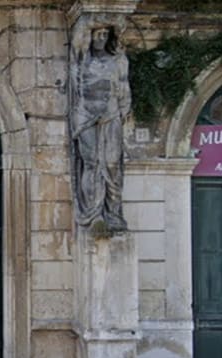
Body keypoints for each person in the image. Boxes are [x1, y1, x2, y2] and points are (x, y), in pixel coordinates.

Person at [71, 25, 131, 233]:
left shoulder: (118, 61)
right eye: (98, 35)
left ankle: (113, 214)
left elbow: (124, 92)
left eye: (105, 35)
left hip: (110, 115)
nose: (101, 39)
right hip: (86, 116)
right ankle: (93, 214)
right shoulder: (80, 61)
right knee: (91, 163)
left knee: (113, 164)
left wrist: (122, 114)